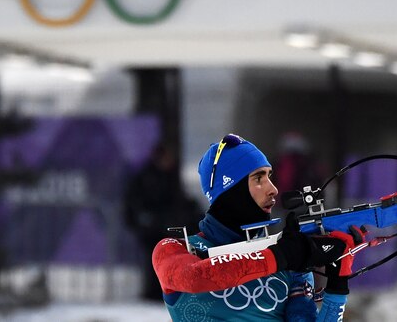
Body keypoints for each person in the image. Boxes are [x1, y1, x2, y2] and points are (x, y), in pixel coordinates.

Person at [152, 134, 365, 320]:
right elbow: (195, 278)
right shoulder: (175, 249)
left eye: (269, 176)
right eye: (258, 178)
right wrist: (282, 255)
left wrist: (338, 282)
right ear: (230, 189)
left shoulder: (289, 264)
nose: (273, 189)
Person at [124, 142, 201, 301]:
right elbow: (137, 205)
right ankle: (155, 292)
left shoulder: (169, 177)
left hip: (164, 228)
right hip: (153, 230)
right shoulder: (147, 178)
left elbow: (178, 201)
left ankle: (164, 290)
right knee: (155, 261)